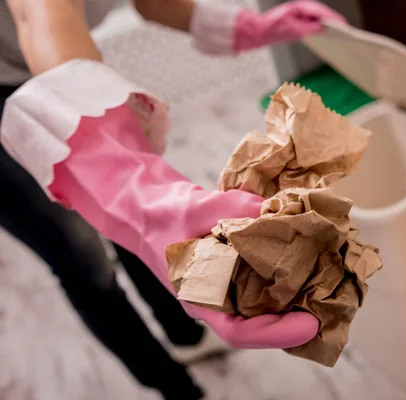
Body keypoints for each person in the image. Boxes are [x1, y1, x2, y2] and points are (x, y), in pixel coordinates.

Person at [0, 1, 345, 399]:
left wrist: (254, 27)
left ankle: (185, 335)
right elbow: (38, 10)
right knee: (82, 259)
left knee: (134, 227)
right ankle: (174, 388)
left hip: (61, 62)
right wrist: (129, 187)